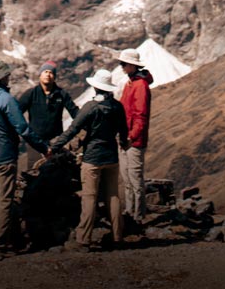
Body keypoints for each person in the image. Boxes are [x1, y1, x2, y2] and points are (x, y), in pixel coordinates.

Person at [0, 60, 49, 260]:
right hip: (6, 156)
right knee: (4, 201)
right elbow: (23, 129)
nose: (9, 78)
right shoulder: (5, 99)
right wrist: (44, 148)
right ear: (2, 79)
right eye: (6, 75)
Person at [50, 67, 128, 251]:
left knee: (89, 197)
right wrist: (123, 143)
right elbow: (123, 132)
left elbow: (73, 130)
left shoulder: (90, 107)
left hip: (92, 158)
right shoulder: (117, 107)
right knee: (113, 196)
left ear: (95, 88)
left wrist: (54, 146)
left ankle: (84, 239)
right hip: (111, 156)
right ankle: (118, 236)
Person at [17, 60, 78, 168]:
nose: (48, 75)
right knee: (34, 172)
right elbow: (16, 114)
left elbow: (76, 113)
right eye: (45, 71)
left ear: (54, 76)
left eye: (51, 72)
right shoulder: (31, 94)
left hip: (56, 142)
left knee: (56, 172)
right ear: (40, 75)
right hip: (35, 142)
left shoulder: (62, 94)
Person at [117, 48, 153, 223]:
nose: (121, 67)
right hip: (126, 138)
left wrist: (131, 137)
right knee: (127, 179)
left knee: (135, 179)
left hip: (134, 141)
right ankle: (130, 213)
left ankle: (138, 217)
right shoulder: (130, 83)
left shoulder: (140, 86)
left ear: (132, 65)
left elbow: (141, 115)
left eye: (124, 64)